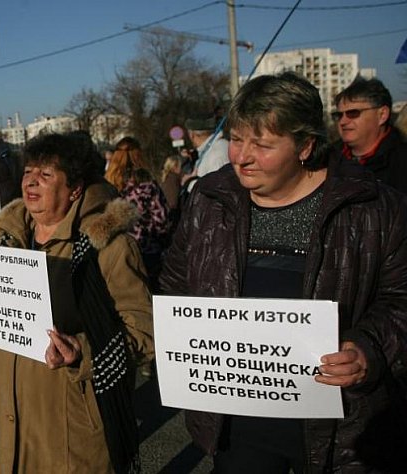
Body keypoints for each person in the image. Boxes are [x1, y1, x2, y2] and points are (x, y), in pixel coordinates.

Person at [159, 72, 407, 472]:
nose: (242, 156)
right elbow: (175, 286)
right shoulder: (209, 200)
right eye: (237, 139)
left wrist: (368, 348)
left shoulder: (375, 208)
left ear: (306, 146)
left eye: (263, 144)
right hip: (236, 426)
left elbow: (400, 299)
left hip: (342, 431)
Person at [0, 133, 154, 472]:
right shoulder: (7, 237)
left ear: (74, 189)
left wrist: (82, 350)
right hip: (13, 422)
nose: (32, 181)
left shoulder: (109, 246)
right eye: (28, 171)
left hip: (72, 428)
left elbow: (145, 333)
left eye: (46, 174)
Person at [105, 136, 170, 293]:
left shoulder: (108, 186)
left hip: (117, 253)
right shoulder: (147, 185)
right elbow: (161, 219)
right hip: (148, 250)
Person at [332, 77, 407, 194]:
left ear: (382, 115)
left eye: (353, 113)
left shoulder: (401, 161)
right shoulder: (327, 158)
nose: (343, 121)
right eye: (339, 115)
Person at [180, 115, 230, 191]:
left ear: (192, 135)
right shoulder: (213, 149)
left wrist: (188, 182)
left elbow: (216, 189)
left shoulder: (216, 153)